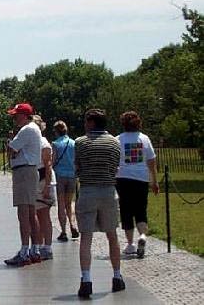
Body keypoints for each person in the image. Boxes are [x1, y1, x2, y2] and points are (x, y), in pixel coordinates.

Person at [74, 108, 125, 298]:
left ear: (92, 122)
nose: (85, 124)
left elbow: (77, 166)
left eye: (87, 120)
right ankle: (117, 276)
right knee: (112, 235)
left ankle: (86, 279)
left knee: (86, 238)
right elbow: (115, 166)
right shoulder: (114, 142)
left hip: (88, 190)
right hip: (108, 190)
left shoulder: (80, 142)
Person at [116, 111, 159, 258]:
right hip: (141, 179)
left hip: (123, 178)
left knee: (126, 211)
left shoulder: (118, 140)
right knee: (141, 211)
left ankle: (130, 244)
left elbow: (115, 160)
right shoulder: (144, 139)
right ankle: (142, 236)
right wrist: (154, 180)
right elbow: (152, 161)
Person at [4, 103, 42, 267]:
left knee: (23, 213)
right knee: (31, 212)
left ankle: (24, 251)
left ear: (24, 115)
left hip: (24, 171)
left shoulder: (26, 130)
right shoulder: (34, 129)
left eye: (16, 115)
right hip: (30, 170)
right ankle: (35, 249)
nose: (14, 118)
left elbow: (11, 148)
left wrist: (11, 145)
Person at [33, 115, 57, 261]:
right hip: (36, 179)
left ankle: (47, 247)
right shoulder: (35, 142)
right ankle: (39, 245)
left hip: (43, 179)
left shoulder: (43, 143)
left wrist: (47, 186)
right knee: (36, 214)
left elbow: (48, 165)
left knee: (44, 215)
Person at [52, 120, 79, 241]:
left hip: (60, 176)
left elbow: (53, 161)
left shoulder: (55, 144)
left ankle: (63, 231)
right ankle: (73, 225)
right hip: (72, 175)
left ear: (56, 131)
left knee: (61, 204)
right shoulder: (74, 143)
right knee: (69, 203)